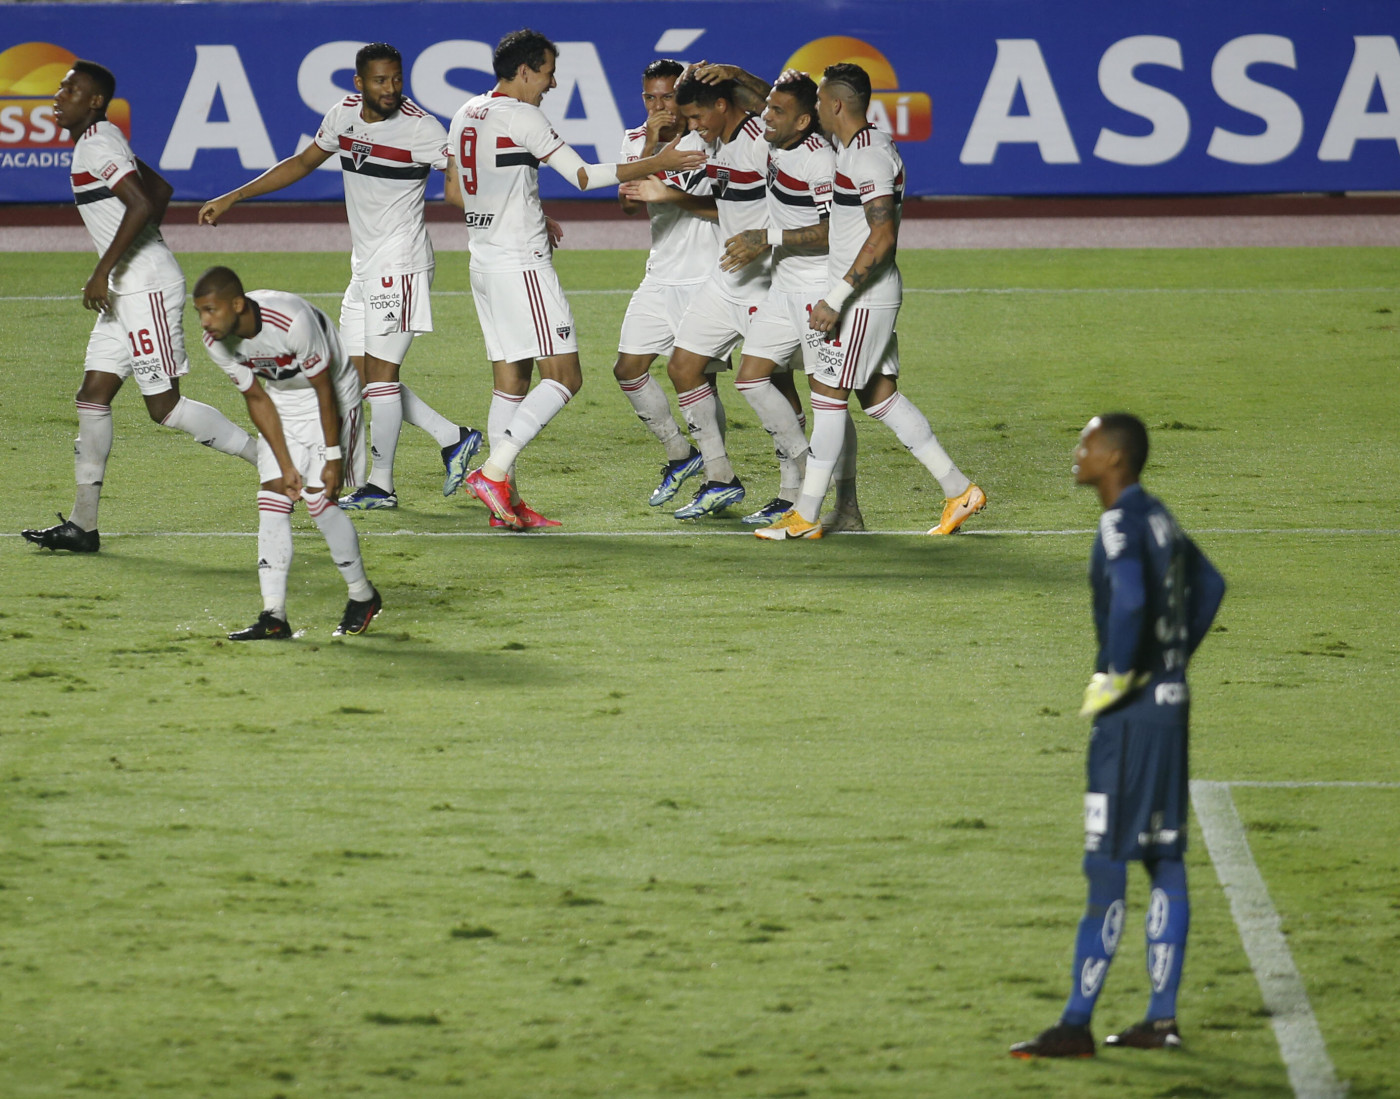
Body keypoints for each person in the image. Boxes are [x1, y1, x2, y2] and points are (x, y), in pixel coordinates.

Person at [1010, 413, 1225, 1059]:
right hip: (1172, 705)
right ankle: (1160, 1020)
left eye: (1086, 444)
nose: (1076, 453)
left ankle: (1076, 1024)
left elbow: (1130, 599)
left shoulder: (1118, 522)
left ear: (1115, 457)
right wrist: (1172, 661)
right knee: (1163, 857)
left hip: (1131, 719)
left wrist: (1117, 672)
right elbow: (1210, 586)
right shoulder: (1158, 514)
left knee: (1106, 863)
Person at [199, 42, 479, 512]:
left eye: (396, 79)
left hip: (402, 263)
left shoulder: (425, 129)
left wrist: (518, 214)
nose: (391, 89)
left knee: (382, 380)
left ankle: (382, 486)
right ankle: (453, 437)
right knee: (355, 374)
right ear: (359, 83)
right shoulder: (344, 115)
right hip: (364, 265)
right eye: (380, 80)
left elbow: (462, 187)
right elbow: (303, 163)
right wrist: (234, 196)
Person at [446, 29, 705, 530]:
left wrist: (527, 212)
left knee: (511, 384)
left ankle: (508, 505)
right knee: (564, 377)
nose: (552, 82)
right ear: (524, 71)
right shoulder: (523, 115)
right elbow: (582, 176)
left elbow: (462, 186)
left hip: (483, 262)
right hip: (521, 266)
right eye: (546, 71)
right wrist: (662, 160)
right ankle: (494, 473)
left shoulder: (466, 112)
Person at [21, 61, 258, 554]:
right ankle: (83, 527)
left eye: (71, 88)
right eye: (61, 86)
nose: (58, 94)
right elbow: (161, 191)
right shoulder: (97, 140)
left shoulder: (100, 142)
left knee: (164, 407)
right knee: (92, 395)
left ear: (94, 102)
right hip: (128, 289)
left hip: (143, 287)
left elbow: (141, 203)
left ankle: (273, 463)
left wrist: (105, 268)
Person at [756, 63, 985, 541]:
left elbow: (883, 235)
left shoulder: (869, 158)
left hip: (862, 298)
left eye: (819, 101)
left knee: (828, 397)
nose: (814, 108)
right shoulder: (857, 147)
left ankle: (806, 515)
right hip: (866, 296)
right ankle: (958, 489)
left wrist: (836, 297)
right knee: (879, 396)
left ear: (836, 104)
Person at [192, 266, 380, 640]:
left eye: (211, 310)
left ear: (238, 304)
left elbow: (324, 387)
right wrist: (286, 463)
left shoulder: (291, 319)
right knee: (272, 497)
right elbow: (257, 397)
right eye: (199, 312)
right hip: (281, 402)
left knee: (318, 501)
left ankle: (362, 595)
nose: (205, 321)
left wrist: (333, 456)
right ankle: (273, 615)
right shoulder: (215, 343)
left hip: (332, 396)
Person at [708, 69, 833, 527]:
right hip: (783, 285)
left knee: (849, 401)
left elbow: (835, 231)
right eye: (766, 108)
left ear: (804, 122)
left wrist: (768, 236)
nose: (765, 116)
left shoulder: (819, 160)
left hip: (818, 289)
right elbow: (760, 98)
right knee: (751, 377)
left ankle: (951, 486)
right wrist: (732, 73)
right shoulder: (780, 142)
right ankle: (808, 467)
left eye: (777, 112)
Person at [613, 59, 724, 509]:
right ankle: (681, 455)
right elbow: (626, 208)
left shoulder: (709, 137)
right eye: (651, 97)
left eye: (667, 97)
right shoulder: (635, 140)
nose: (660, 106)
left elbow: (724, 205)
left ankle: (719, 474)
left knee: (699, 382)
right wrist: (651, 154)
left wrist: (669, 188)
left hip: (708, 275)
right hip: (660, 276)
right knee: (628, 369)